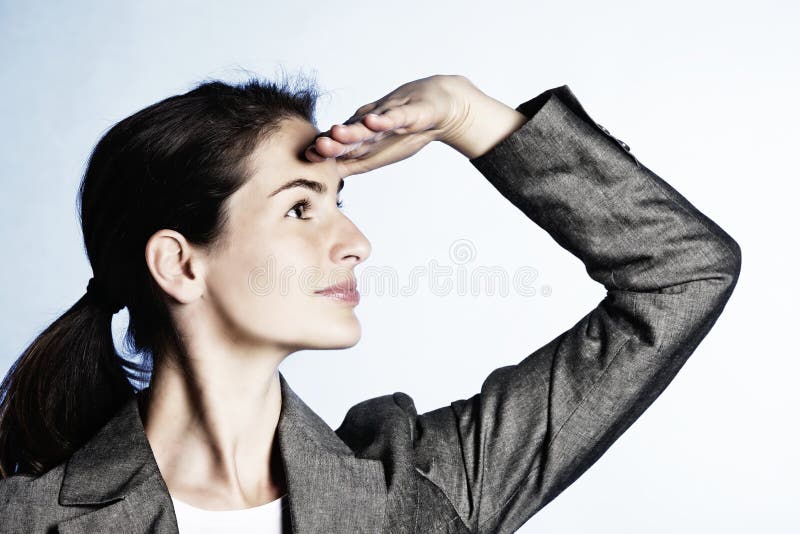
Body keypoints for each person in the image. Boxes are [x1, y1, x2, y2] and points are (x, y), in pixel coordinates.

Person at [0, 73, 741, 533]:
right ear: (179, 263)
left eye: (340, 201)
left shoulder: (424, 489)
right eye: (301, 209)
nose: (355, 241)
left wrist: (466, 115)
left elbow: (681, 274)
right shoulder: (25, 517)